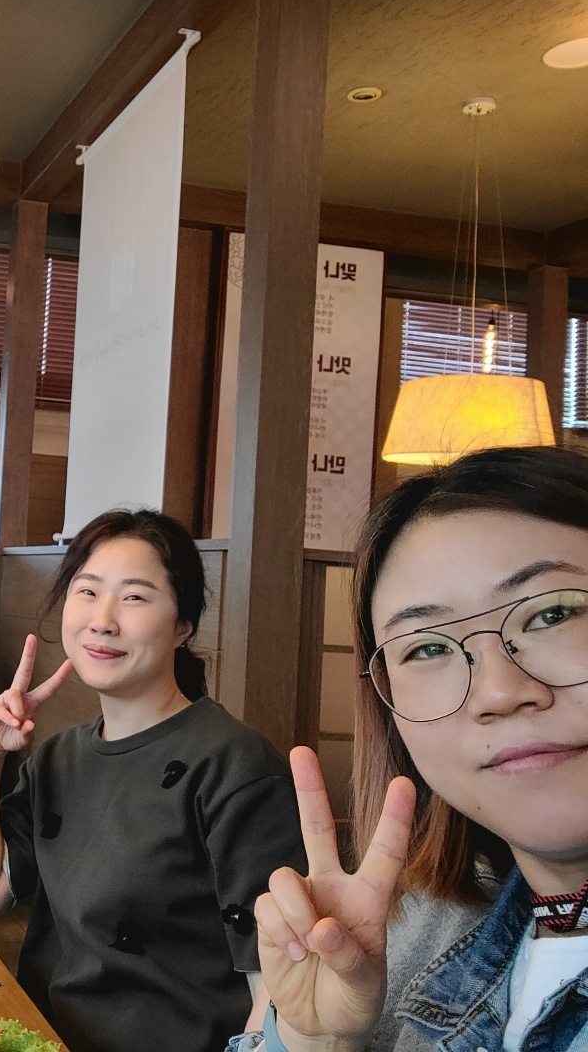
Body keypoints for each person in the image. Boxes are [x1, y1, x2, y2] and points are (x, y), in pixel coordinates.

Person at [240, 445, 588, 1052]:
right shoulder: (407, 930)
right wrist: (313, 1039)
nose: (499, 692)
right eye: (428, 648)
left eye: (552, 613)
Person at [0, 509, 308, 1052]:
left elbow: (276, 987)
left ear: (183, 626)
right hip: (43, 1038)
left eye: (135, 597)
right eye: (87, 591)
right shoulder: (59, 758)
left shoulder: (236, 766)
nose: (103, 619)